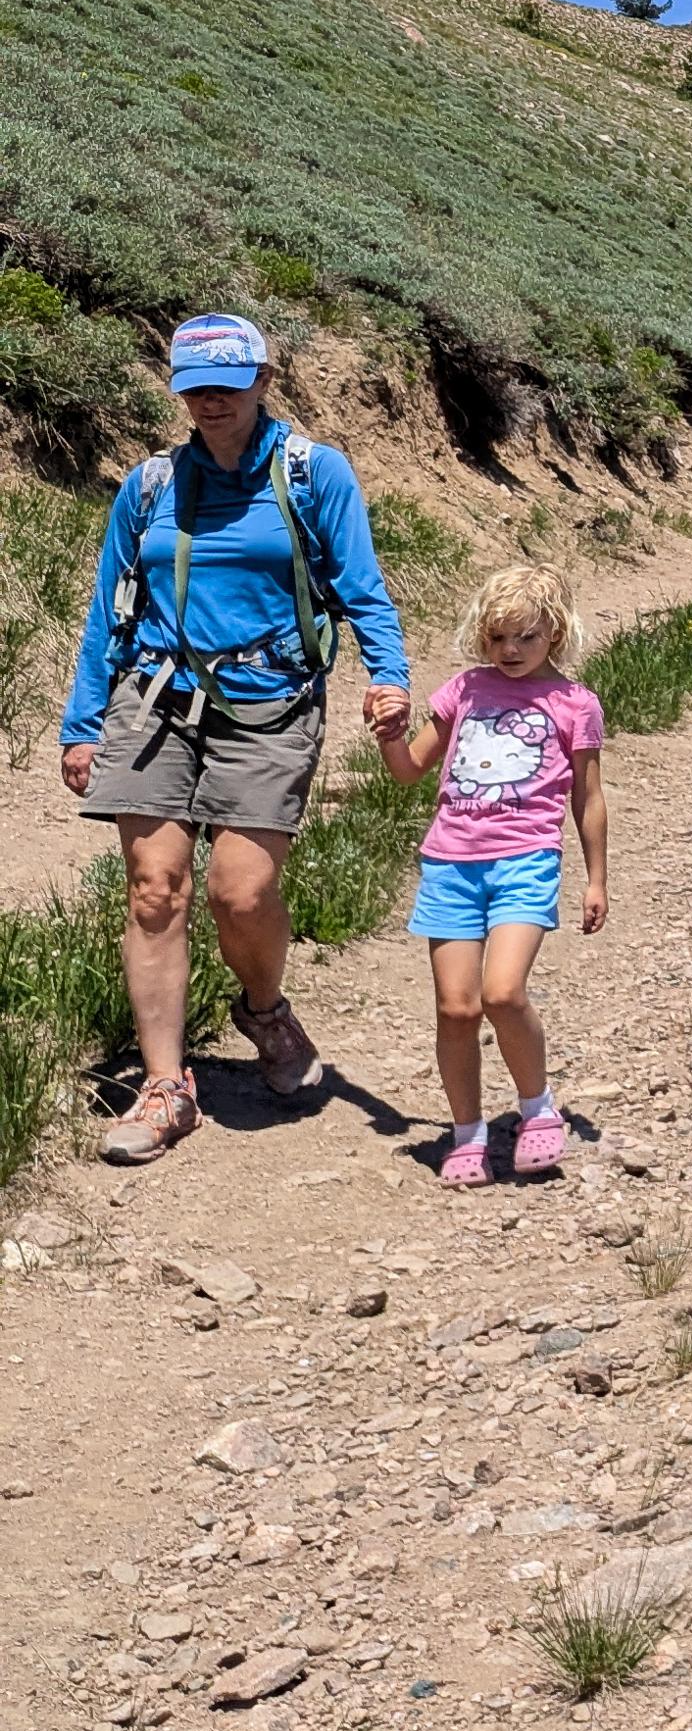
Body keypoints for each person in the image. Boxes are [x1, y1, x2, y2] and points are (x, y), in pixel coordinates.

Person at [58, 312, 413, 1162]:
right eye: (195, 387)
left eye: (227, 384)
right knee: (154, 890)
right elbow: (108, 609)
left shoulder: (314, 472)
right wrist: (82, 724)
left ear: (263, 381)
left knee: (240, 893)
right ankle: (165, 1086)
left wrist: (390, 675)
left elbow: (362, 588)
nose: (210, 400)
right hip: (154, 700)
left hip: (271, 702)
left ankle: (264, 1011)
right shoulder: (150, 484)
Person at [378, 565, 608, 1183]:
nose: (509, 650)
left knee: (502, 993)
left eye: (525, 637)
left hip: (526, 859)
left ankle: (537, 1109)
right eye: (498, 637)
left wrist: (596, 878)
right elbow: (408, 770)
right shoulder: (464, 690)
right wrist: (389, 735)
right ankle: (467, 1133)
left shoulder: (574, 704)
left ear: (555, 634)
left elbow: (587, 798)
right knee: (456, 1008)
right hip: (451, 862)